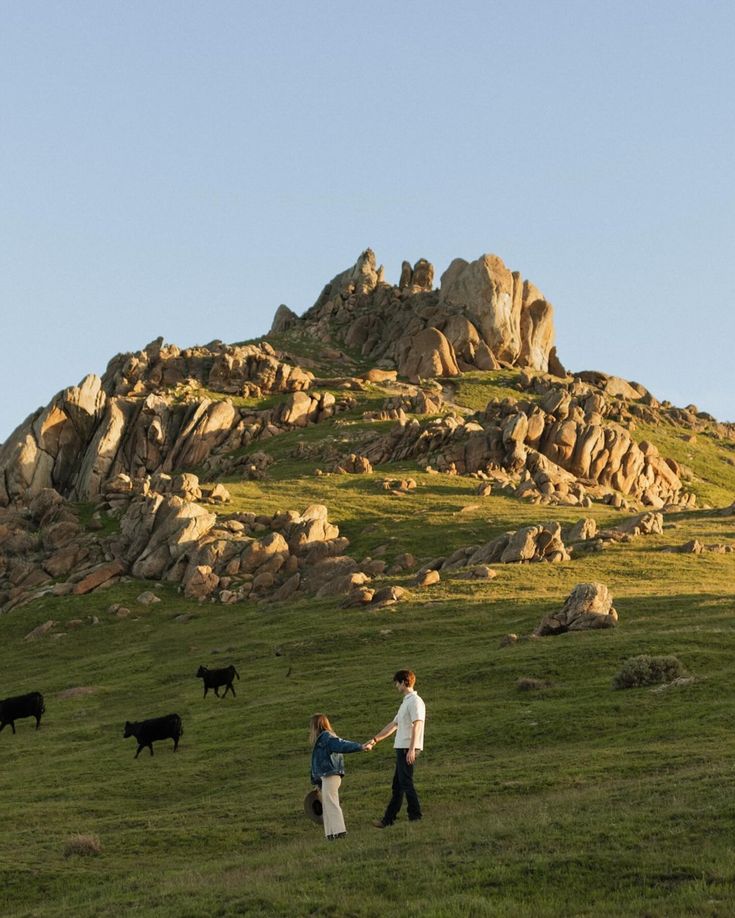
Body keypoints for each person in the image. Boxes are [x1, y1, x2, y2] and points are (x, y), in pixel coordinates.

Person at [368, 669, 426, 827]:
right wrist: (375, 740)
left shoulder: (415, 701)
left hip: (407, 748)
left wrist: (412, 749)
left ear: (404, 682)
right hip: (402, 748)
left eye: (397, 683)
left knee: (406, 783)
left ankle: (415, 816)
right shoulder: (406, 702)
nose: (396, 686)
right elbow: (394, 725)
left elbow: (417, 725)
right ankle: (388, 819)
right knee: (398, 786)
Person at [309, 713, 371, 840]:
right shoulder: (324, 738)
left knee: (331, 803)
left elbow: (342, 745)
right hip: (327, 776)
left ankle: (339, 831)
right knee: (327, 804)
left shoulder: (326, 737)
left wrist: (360, 747)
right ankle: (331, 834)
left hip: (330, 775)